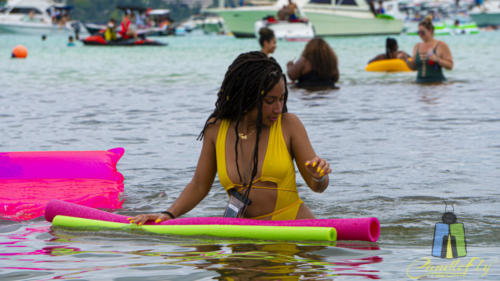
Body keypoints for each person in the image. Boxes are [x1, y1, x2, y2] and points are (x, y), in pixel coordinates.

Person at [129, 51, 332, 225]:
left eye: (281, 99)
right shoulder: (216, 129)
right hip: (243, 237)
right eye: (270, 100)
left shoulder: (289, 125)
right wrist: (168, 214)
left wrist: (319, 175)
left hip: (295, 230)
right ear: (248, 97)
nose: (278, 108)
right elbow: (200, 185)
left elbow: (318, 187)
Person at [404, 16, 453, 83]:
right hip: (419, 83)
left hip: (437, 84)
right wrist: (406, 60)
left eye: (422, 32)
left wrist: (437, 60)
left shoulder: (441, 45)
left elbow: (450, 66)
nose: (420, 35)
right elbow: (414, 68)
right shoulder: (417, 46)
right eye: (418, 32)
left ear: (430, 30)